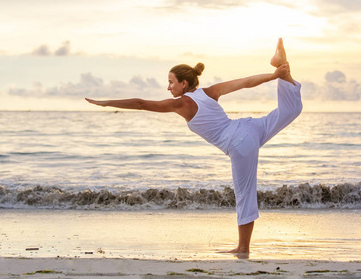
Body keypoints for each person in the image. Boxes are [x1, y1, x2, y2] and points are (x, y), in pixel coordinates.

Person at [85, 38, 302, 254]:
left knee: (244, 194)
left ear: (184, 84)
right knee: (288, 111)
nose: (168, 87)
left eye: (171, 82)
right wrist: (273, 76)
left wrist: (107, 102)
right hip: (248, 128)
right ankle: (284, 74)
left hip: (239, 143)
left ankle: (243, 248)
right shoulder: (209, 92)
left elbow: (141, 104)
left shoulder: (181, 103)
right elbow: (244, 82)